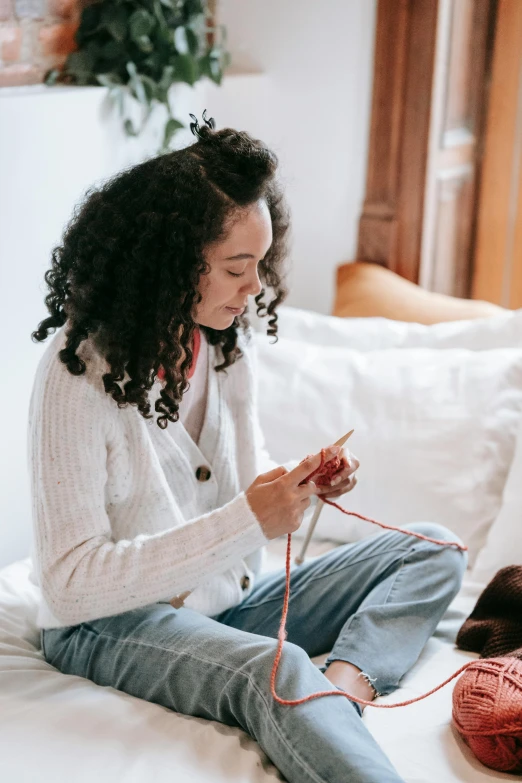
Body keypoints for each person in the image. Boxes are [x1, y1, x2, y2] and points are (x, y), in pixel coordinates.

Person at [29, 113, 468, 783]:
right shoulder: (74, 374)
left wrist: (301, 486)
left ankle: (344, 689)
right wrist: (248, 520)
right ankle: (317, 704)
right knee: (281, 670)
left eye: (261, 263)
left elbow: (237, 499)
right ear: (171, 263)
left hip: (225, 601)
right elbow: (69, 581)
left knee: (434, 547)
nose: (255, 286)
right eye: (238, 267)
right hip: (105, 624)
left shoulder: (227, 349)